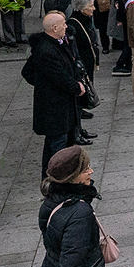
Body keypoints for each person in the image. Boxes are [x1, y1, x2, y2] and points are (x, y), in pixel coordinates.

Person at [24, 12, 87, 174]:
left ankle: (55, 176)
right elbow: (59, 77)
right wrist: (75, 87)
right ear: (54, 28)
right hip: (54, 108)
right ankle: (55, 177)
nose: (66, 26)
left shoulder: (55, 44)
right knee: (57, 146)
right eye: (63, 24)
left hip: (62, 105)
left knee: (60, 142)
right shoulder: (46, 50)